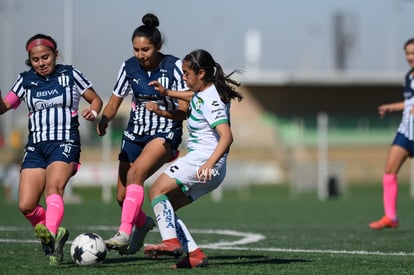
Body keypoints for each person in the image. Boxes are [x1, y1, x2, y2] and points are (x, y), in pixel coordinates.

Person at [0, 33, 103, 264]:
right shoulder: (25, 80)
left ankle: (53, 237)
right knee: (26, 204)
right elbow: (4, 106)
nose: (41, 63)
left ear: (55, 54)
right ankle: (51, 234)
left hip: (65, 141)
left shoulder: (70, 74)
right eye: (35, 60)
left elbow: (95, 99)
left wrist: (94, 112)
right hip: (36, 147)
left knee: (53, 188)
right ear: (30, 60)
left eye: (45, 57)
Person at [97, 13, 190, 255]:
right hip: (135, 133)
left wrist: (161, 110)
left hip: (165, 131)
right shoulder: (128, 67)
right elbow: (114, 102)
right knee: (121, 196)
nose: (141, 55)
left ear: (158, 46)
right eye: (136, 49)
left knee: (136, 174)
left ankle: (124, 232)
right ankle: (142, 224)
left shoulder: (175, 67)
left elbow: (184, 112)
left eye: (145, 49)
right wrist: (104, 119)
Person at [143, 49, 243, 268]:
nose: (184, 78)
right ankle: (194, 254)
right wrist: (167, 93)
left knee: (155, 191)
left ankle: (170, 242)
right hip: (211, 167)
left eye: (187, 74)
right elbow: (194, 97)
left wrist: (208, 164)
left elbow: (227, 137)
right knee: (166, 205)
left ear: (200, 73)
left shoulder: (212, 99)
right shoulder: (206, 92)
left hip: (204, 161)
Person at [369, 38, 414, 230]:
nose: (410, 57)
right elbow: (410, 103)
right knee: (389, 171)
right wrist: (391, 107)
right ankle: (391, 217)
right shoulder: (409, 77)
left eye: (413, 53)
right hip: (406, 130)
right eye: (407, 53)